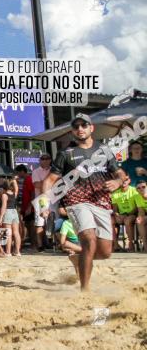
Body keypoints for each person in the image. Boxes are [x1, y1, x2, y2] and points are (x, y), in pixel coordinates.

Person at [42, 114, 129, 291]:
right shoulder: (65, 153)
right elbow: (49, 180)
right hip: (76, 201)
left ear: (92, 128)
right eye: (76, 126)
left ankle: (78, 258)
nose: (80, 129)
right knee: (89, 240)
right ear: (72, 131)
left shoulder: (103, 150)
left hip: (101, 202)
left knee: (105, 253)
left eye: (84, 125)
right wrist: (45, 205)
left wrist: (118, 182)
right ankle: (85, 290)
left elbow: (119, 173)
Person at [110, 176, 143, 252]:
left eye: (126, 179)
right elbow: (115, 208)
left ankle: (130, 244)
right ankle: (115, 245)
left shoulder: (134, 190)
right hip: (122, 215)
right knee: (110, 220)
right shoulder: (115, 193)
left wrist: (127, 215)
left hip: (133, 214)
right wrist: (116, 214)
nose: (124, 181)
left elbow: (137, 207)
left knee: (127, 221)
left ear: (129, 181)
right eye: (122, 179)